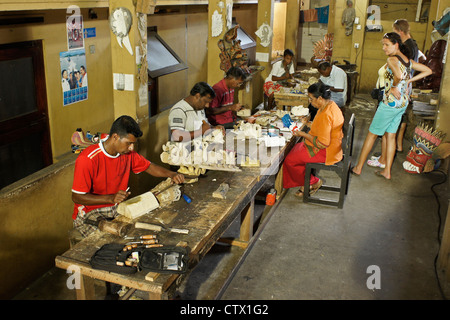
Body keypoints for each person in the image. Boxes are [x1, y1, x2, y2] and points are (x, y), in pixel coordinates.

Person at [71, 115, 185, 237]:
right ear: (115, 137)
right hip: (90, 212)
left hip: (115, 207)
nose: (131, 148)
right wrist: (111, 198)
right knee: (108, 241)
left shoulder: (127, 154)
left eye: (133, 144)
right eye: (129, 143)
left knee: (142, 227)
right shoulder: (88, 159)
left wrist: (171, 174)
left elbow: (149, 166)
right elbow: (77, 197)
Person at [351, 32, 432, 180]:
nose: (384, 48)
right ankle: (387, 171)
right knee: (391, 136)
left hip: (390, 103)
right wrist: (408, 82)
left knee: (372, 134)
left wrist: (396, 85)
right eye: (383, 44)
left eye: (386, 44)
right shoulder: (407, 60)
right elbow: (428, 70)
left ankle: (358, 168)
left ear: (396, 44)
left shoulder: (392, 60)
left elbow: (399, 76)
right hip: (402, 104)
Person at [283, 82, 344, 197]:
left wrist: (302, 134)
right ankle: (306, 182)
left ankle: (313, 182)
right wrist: (308, 123)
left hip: (326, 151)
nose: (310, 102)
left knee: (289, 160)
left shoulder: (326, 114)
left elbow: (322, 143)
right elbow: (322, 128)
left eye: (311, 99)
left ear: (320, 98)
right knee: (294, 149)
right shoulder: (329, 105)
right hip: (333, 145)